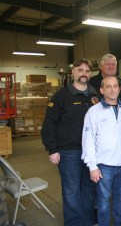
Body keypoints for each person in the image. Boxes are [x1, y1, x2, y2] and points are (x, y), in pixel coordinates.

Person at [41, 58, 98, 226]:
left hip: (92, 152)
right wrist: (52, 149)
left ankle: (88, 222)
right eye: (80, 70)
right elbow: (49, 124)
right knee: (71, 191)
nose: (84, 74)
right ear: (72, 72)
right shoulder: (61, 96)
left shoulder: (95, 94)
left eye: (87, 71)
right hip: (69, 152)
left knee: (89, 190)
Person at [82, 76, 121, 225]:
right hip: (104, 165)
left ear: (119, 88)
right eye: (108, 86)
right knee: (103, 201)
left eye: (115, 86)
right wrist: (92, 166)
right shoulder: (94, 112)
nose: (112, 89)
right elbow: (88, 139)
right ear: (101, 90)